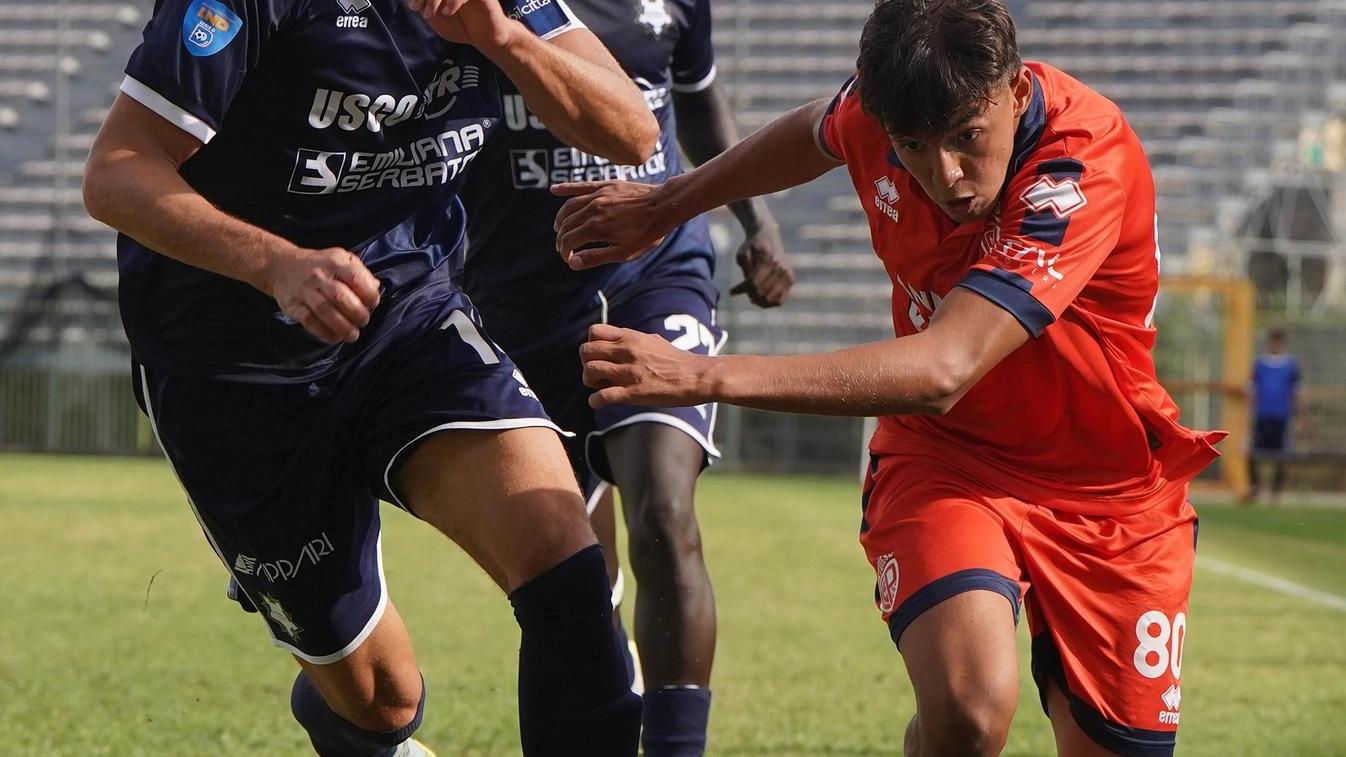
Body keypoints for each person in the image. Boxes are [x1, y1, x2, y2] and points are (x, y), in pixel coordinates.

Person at [548, 1, 1227, 755]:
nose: (946, 175)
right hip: (950, 460)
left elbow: (944, 365)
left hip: (1109, 493)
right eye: (913, 146)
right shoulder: (888, 108)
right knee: (969, 709)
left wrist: (704, 374)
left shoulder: (1079, 162)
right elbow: (817, 128)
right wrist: (669, 203)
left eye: (968, 138)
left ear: (1017, 94)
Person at [81, 0, 661, 753]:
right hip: (227, 361)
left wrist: (503, 37)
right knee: (380, 700)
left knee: (567, 570)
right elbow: (115, 172)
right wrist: (277, 264)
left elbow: (631, 132)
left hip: (407, 318)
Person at [458, 0, 792, 750]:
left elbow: (700, 99)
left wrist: (758, 222)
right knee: (570, 574)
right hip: (517, 299)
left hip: (656, 275)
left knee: (665, 513)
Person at [1244, 328, 1301, 506]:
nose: (1275, 344)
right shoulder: (1259, 365)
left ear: (1282, 343)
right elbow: (1252, 392)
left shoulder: (1291, 366)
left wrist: (1300, 417)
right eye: (1273, 341)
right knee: (1251, 452)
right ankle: (1255, 487)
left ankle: (1275, 494)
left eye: (1278, 341)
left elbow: (1297, 393)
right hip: (1262, 415)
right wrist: (1247, 416)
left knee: (1282, 455)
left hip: (1281, 416)